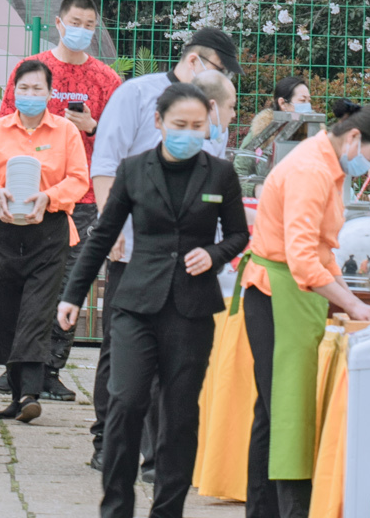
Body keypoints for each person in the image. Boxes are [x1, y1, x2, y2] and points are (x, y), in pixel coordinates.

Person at [58, 81, 249, 518]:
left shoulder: (220, 174)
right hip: (136, 303)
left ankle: (167, 509)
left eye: (198, 126)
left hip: (192, 309)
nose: (189, 132)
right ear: (159, 122)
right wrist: (73, 295)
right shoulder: (134, 170)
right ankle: (117, 507)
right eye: (180, 124)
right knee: (126, 402)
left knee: (179, 415)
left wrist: (215, 254)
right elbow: (102, 234)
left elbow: (238, 233)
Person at [88, 27, 240, 471]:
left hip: (188, 255)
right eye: (220, 67)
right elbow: (106, 161)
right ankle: (108, 440)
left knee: (173, 352)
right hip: (134, 246)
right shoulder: (136, 94)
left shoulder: (212, 110)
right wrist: (109, 226)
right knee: (120, 347)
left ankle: (157, 452)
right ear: (194, 61)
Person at [241, 97, 370, 518]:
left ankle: (264, 509)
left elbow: (325, 253)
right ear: (353, 138)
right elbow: (304, 259)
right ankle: (287, 509)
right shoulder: (311, 170)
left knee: (274, 410)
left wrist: (352, 300)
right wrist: (352, 303)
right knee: (286, 411)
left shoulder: (326, 165)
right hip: (276, 293)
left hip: (289, 293)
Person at [0, 0, 122, 401]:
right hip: (26, 195)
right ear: (59, 23)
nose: (82, 30)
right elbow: (3, 126)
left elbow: (119, 141)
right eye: (75, 22)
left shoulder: (106, 79)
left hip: (81, 199)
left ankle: (49, 368)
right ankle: (18, 366)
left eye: (90, 25)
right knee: (21, 284)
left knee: (69, 285)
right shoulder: (33, 71)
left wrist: (92, 125)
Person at [0, 58, 90, 423]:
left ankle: (32, 392)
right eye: (24, 88)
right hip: (4, 229)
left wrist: (48, 198)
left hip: (49, 233)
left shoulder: (65, 132)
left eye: (38, 89)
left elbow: (79, 179)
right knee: (6, 313)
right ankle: (18, 394)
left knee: (36, 312)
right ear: (13, 92)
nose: (31, 95)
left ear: (51, 93)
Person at [247, 76, 315, 141]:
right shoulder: (260, 130)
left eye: (309, 101)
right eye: (302, 100)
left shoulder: (314, 130)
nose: (308, 105)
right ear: (282, 103)